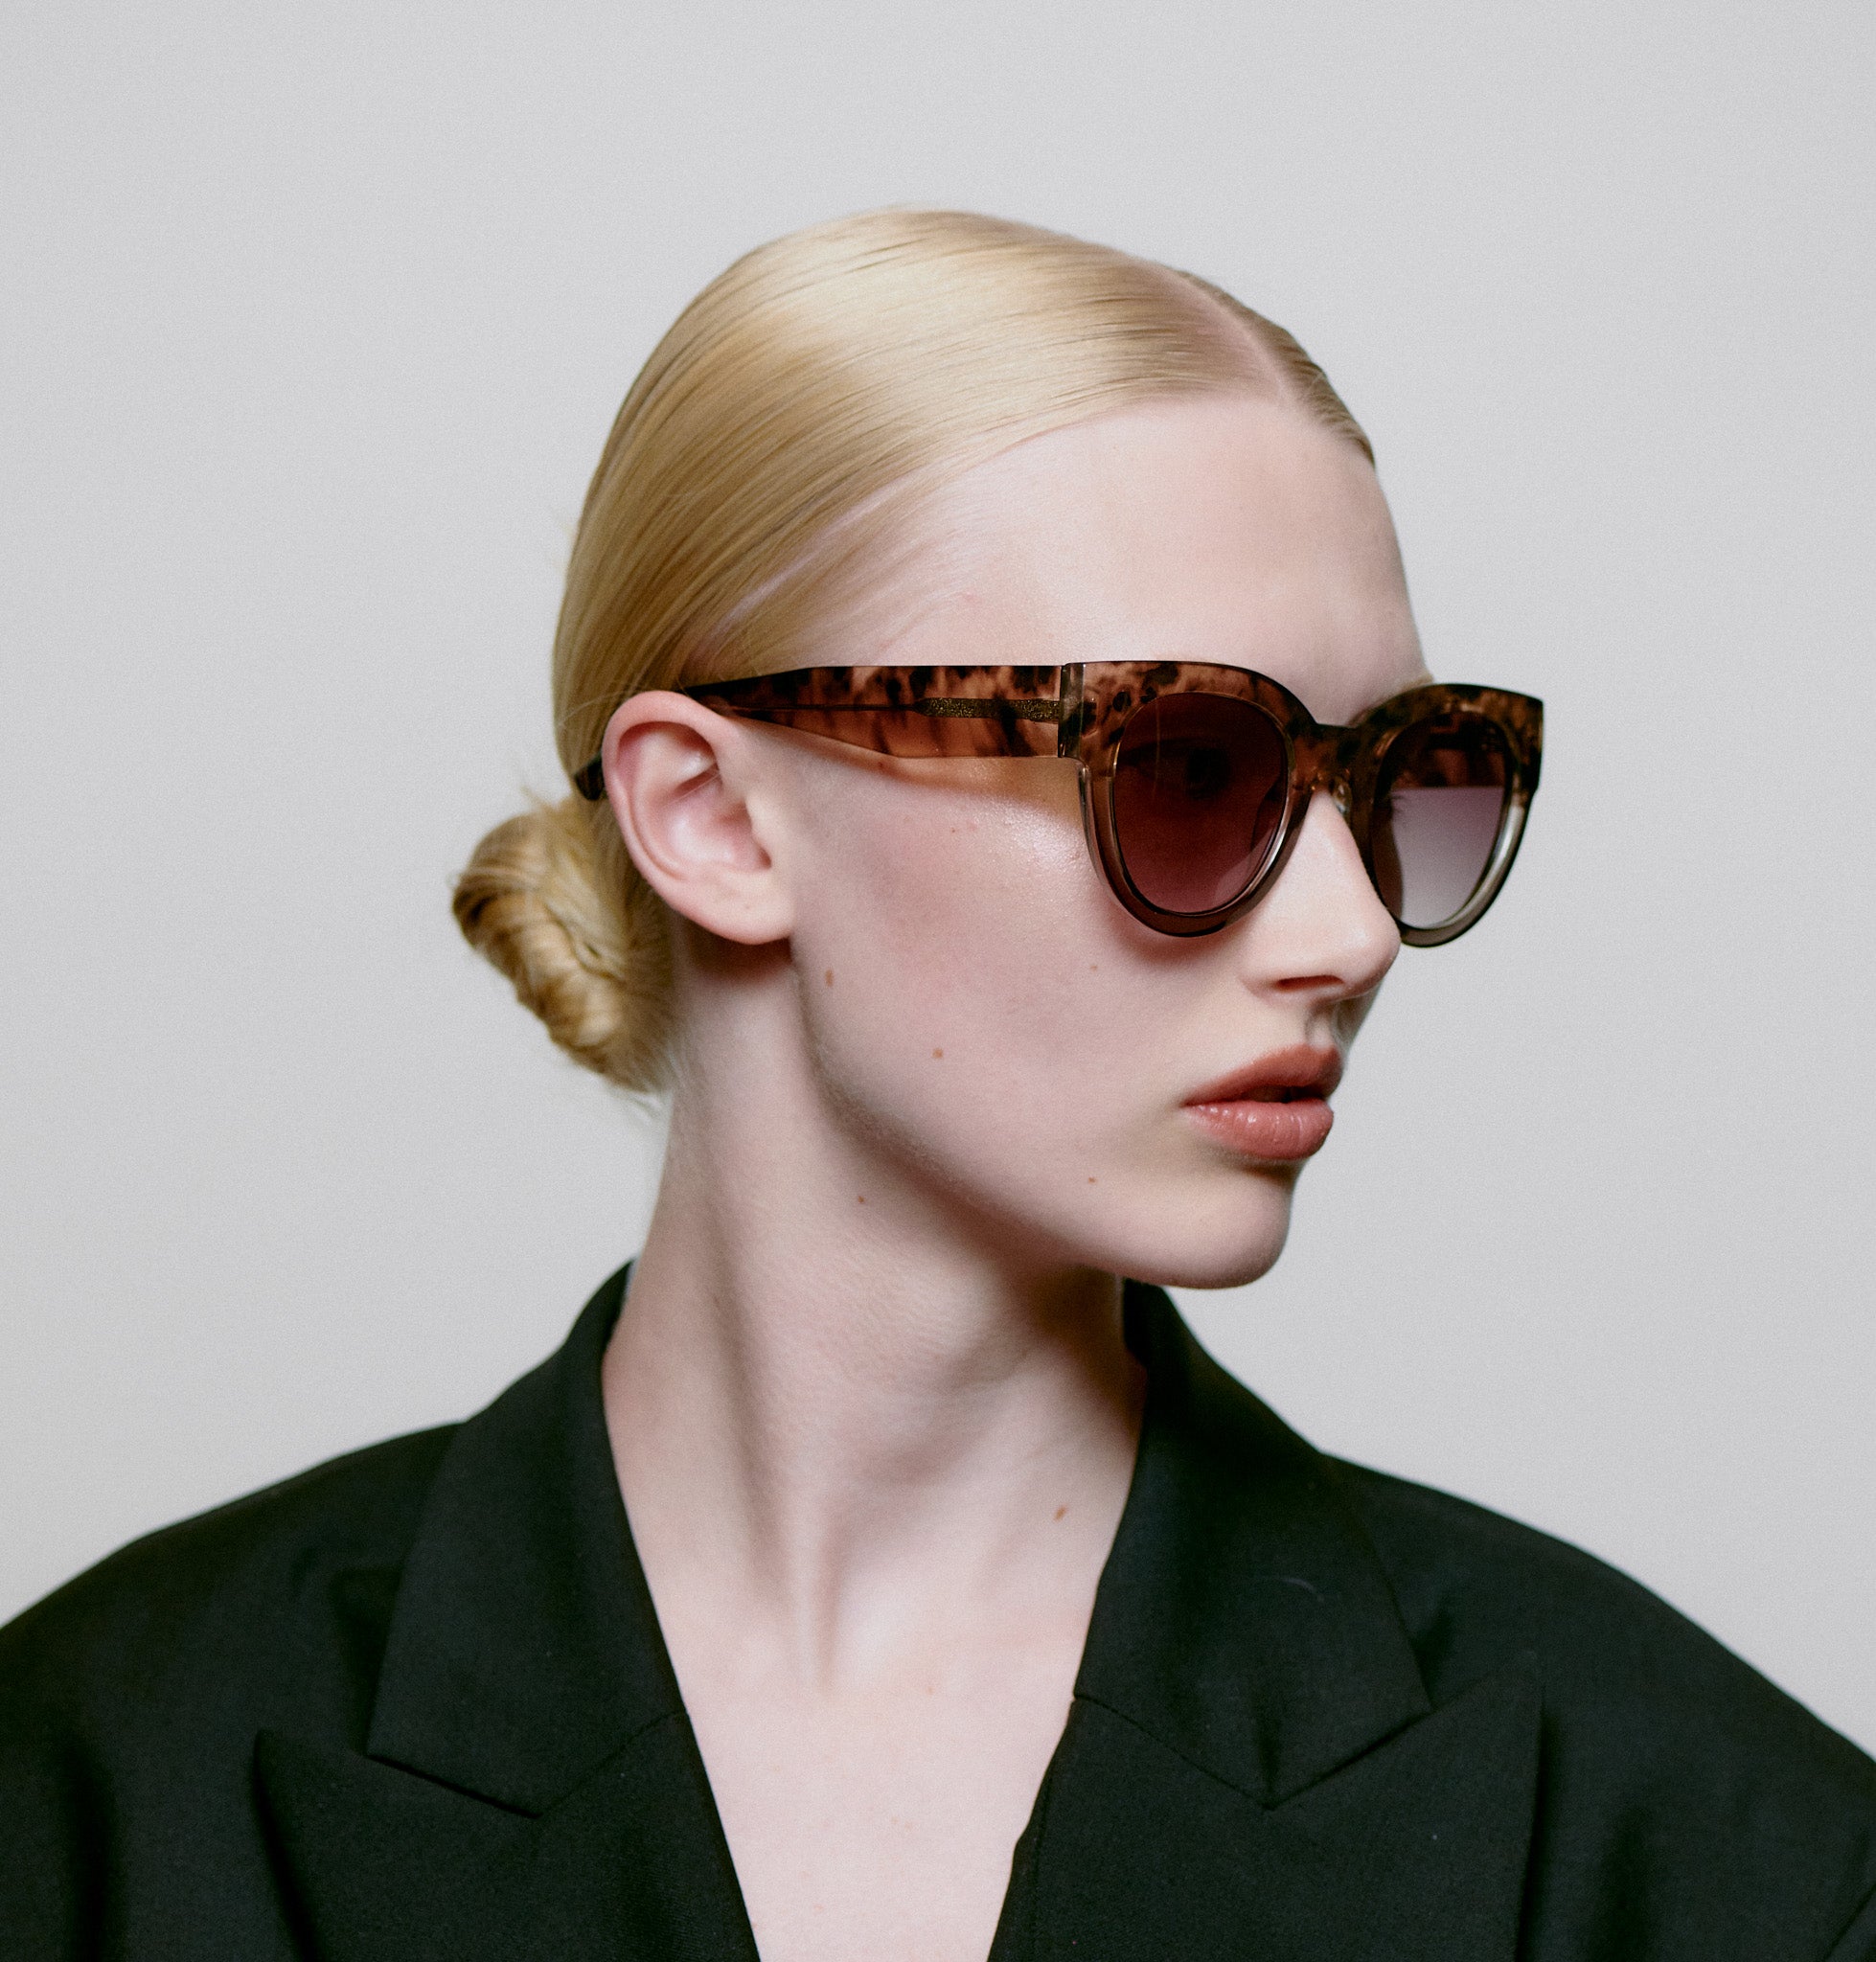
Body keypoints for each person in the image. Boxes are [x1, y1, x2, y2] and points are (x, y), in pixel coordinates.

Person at [2, 208, 1870, 1962]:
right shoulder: (78, 1794)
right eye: (1188, 766)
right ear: (713, 817)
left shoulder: (1714, 1856)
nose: (1354, 930)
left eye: (1407, 775)